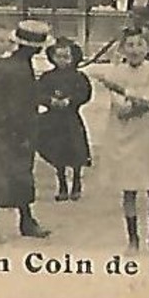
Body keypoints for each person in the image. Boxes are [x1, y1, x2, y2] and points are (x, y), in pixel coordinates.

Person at [90, 26, 149, 254]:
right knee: (129, 187)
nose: (135, 50)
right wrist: (130, 98)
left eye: (140, 44)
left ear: (147, 47)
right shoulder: (115, 73)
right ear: (123, 48)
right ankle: (133, 240)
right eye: (130, 45)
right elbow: (121, 109)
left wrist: (126, 92)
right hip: (126, 137)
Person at [0, 20, 53, 242]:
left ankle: (26, 220)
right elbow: (18, 105)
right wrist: (24, 133)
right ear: (36, 48)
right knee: (2, 174)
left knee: (16, 174)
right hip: (7, 129)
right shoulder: (19, 70)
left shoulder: (9, 65)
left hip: (0, 126)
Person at [36, 38, 93, 201]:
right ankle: (61, 184)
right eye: (58, 56)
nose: (62, 60)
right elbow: (38, 93)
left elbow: (85, 94)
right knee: (57, 152)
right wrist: (49, 100)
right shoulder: (47, 77)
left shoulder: (79, 76)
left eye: (66, 57)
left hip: (71, 118)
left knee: (75, 151)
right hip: (53, 120)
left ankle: (76, 182)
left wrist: (71, 100)